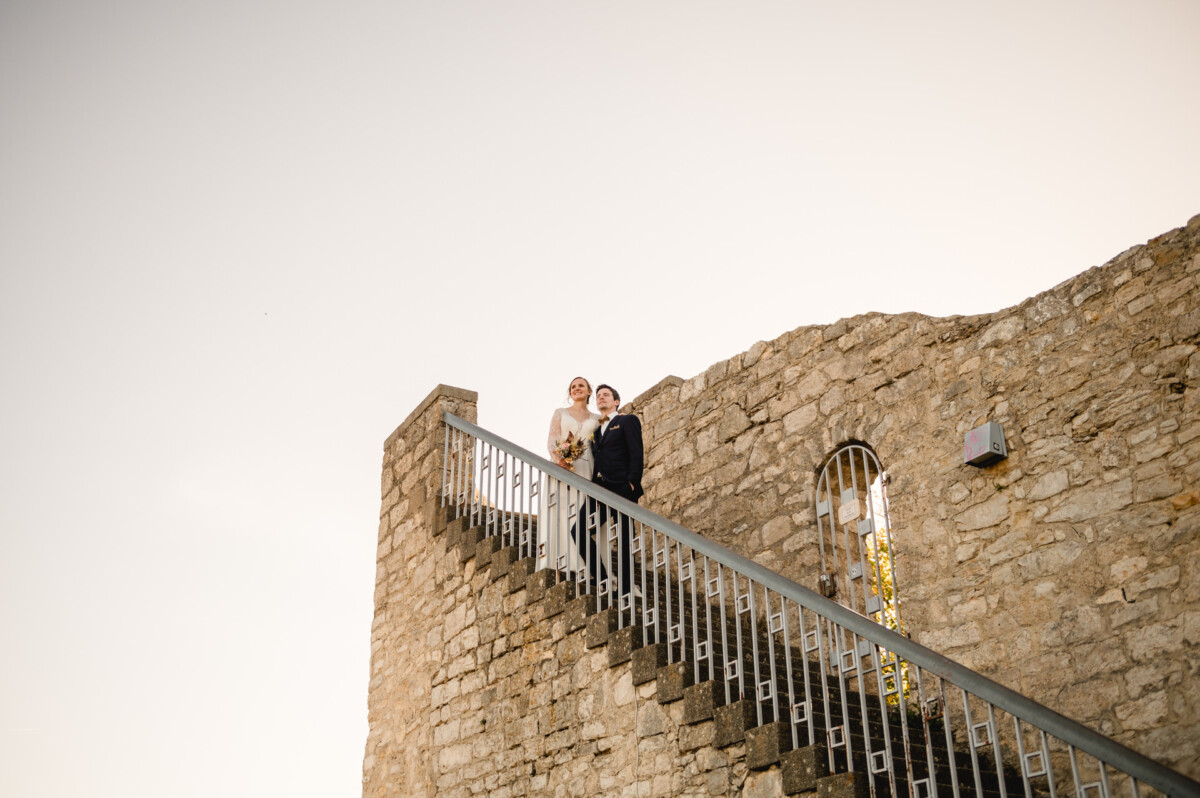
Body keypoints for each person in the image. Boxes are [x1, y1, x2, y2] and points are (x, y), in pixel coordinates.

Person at [572, 383, 644, 597]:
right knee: (578, 530)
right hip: (599, 489)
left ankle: (626, 588)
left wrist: (632, 483)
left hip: (622, 487)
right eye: (598, 396)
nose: (601, 398)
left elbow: (636, 452)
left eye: (606, 395)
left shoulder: (626, 420)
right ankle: (603, 578)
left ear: (616, 401)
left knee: (623, 537)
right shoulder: (596, 430)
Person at [537, 377, 599, 573]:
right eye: (573, 387)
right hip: (562, 466)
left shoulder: (598, 419)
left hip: (587, 468)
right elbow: (552, 440)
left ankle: (585, 564)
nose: (576, 389)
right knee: (562, 509)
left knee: (581, 511)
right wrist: (559, 460)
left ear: (589, 391)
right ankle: (559, 561)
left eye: (581, 386)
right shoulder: (560, 413)